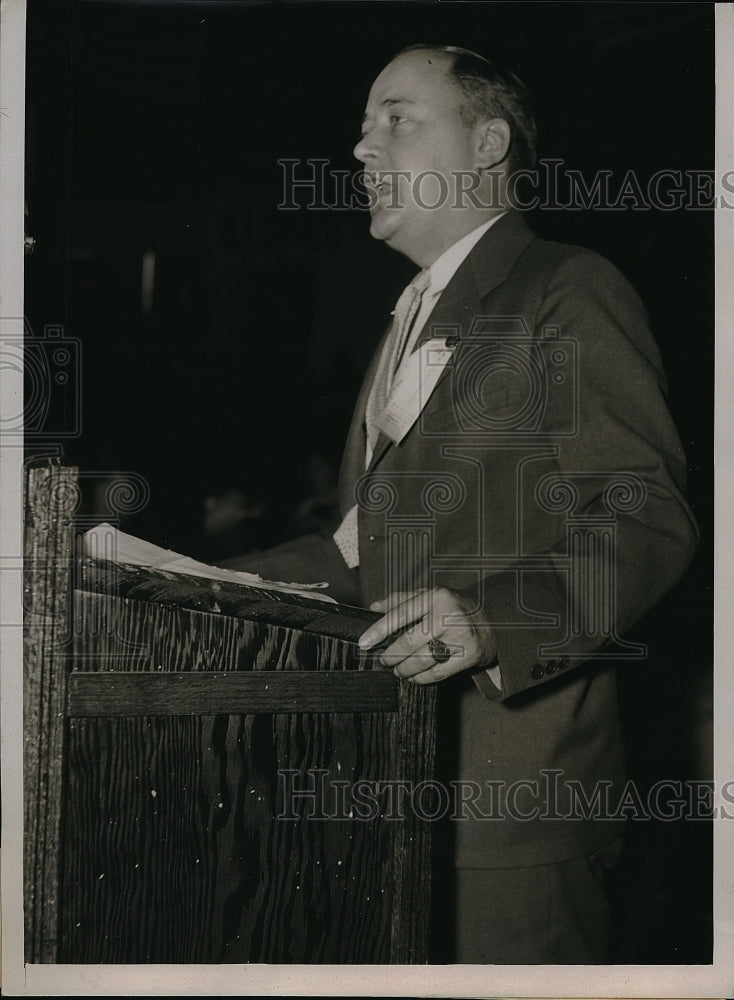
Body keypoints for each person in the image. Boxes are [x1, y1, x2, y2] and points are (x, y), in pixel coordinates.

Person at [225, 44, 699, 963]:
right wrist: (176, 576)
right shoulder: (409, 317)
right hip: (393, 792)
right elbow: (358, 553)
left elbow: (646, 514)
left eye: (396, 119)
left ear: (488, 143)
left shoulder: (568, 286)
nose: (362, 150)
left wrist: (493, 623)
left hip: (512, 815)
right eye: (362, 129)